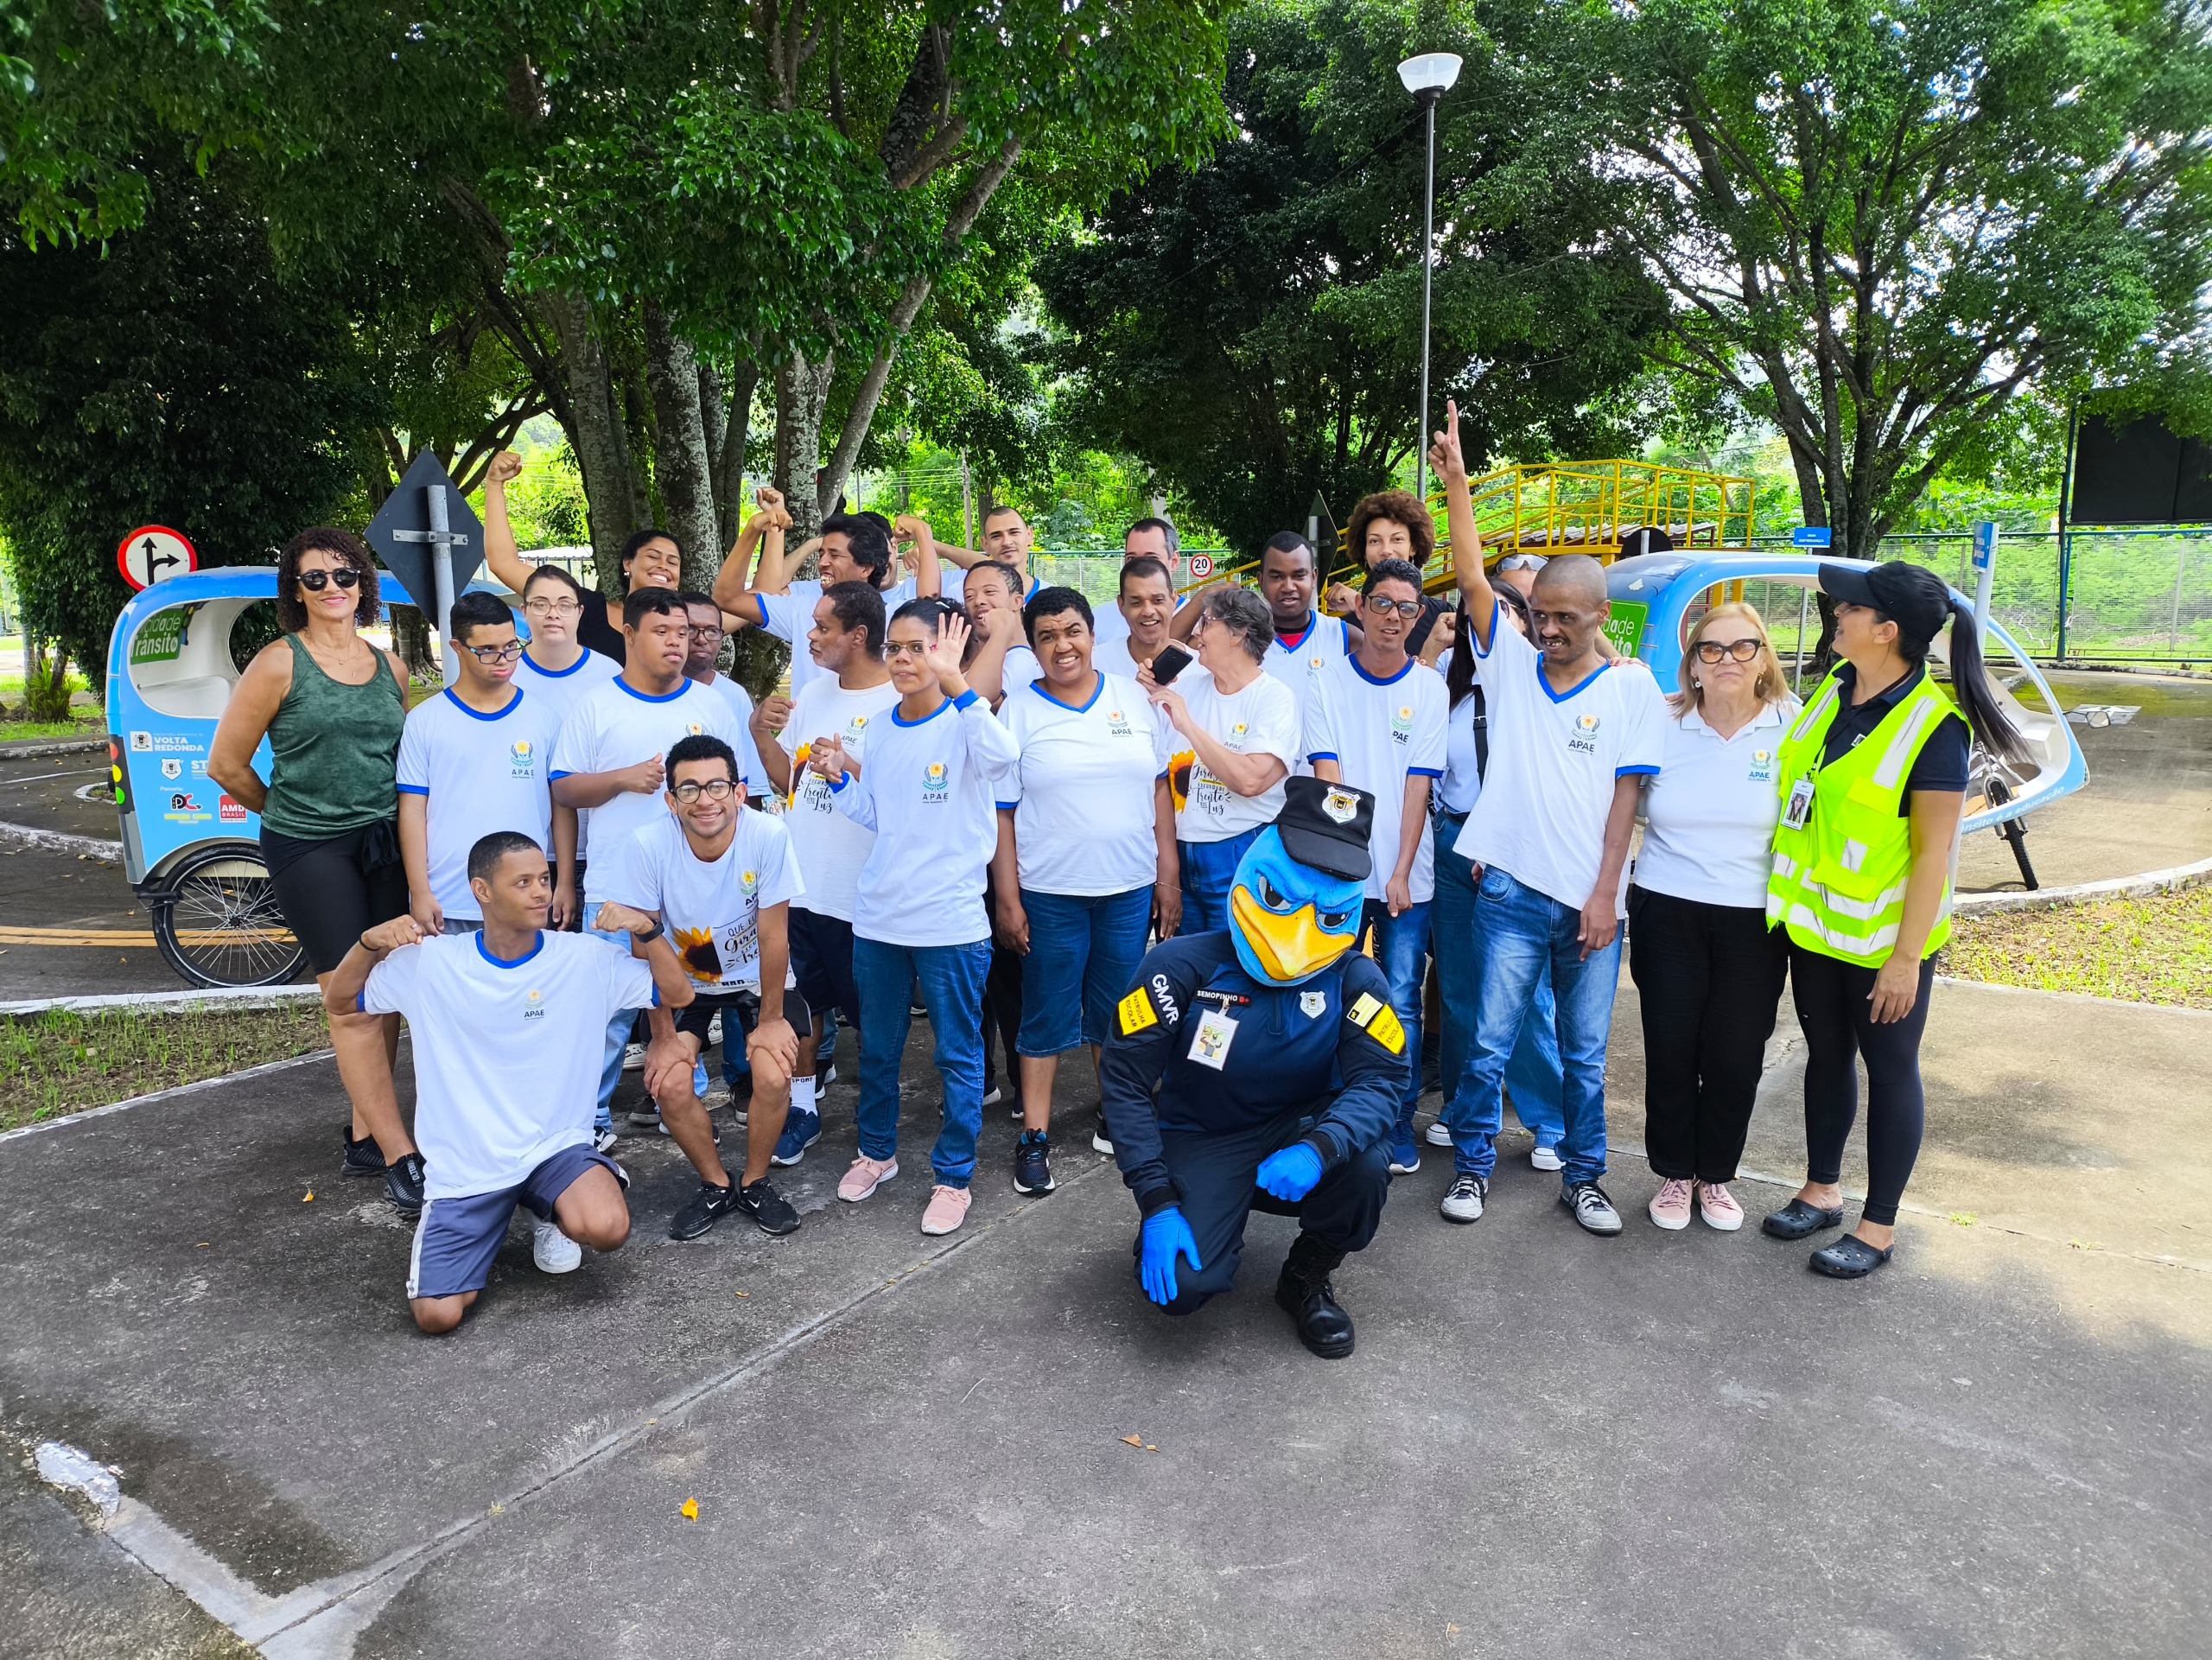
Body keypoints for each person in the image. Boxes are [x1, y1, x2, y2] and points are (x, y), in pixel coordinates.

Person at [1430, 402, 1666, 1237]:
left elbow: (1626, 800)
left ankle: (1587, 1179)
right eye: (1543, 614)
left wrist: (1606, 896)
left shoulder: (1632, 688)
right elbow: (1468, 579)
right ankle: (1471, 1168)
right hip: (1512, 900)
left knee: (1585, 1057)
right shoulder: (1512, 669)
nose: (1552, 627)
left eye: (1569, 615)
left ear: (1602, 616)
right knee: (1487, 1043)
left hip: (1592, 908)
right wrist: (1458, 483)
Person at [1763, 560, 2026, 1277]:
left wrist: (1906, 958)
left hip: (1886, 943)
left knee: (1890, 1068)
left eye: (1847, 608)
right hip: (1817, 929)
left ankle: (1878, 1229)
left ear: (1886, 631)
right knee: (1826, 1058)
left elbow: (1935, 854)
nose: (1834, 615)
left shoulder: (1936, 728)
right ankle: (1821, 1190)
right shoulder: (1834, 693)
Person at [324, 830, 694, 1334]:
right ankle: (496, 1216)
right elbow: (343, 1004)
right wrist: (367, 945)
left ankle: (546, 1208)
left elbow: (678, 993)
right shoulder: (433, 963)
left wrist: (648, 932)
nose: (541, 892)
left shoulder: (583, 958)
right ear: (482, 891)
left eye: (544, 879)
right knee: (437, 1317)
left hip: (555, 1148)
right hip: (467, 1167)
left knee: (606, 1229)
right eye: (523, 882)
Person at [1099, 778, 1402, 1358]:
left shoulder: (1354, 979)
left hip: (1301, 1131)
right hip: (1205, 1135)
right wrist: (1156, 1199)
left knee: (1365, 1163)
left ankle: (1307, 1274)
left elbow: (1382, 1081)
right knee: (1179, 1293)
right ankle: (1187, 1217)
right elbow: (1125, 1080)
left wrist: (1322, 1146)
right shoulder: (1178, 967)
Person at [207, 528, 423, 1212]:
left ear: (365, 585)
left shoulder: (391, 668)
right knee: (350, 993)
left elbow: (404, 766)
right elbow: (227, 765)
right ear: (294, 591)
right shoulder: (279, 662)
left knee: (386, 988)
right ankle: (400, 1153)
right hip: (310, 846)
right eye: (316, 579)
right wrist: (286, 816)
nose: (334, 588)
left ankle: (366, 1130)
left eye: (346, 575)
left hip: (382, 841)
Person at [809, 601, 1020, 1237]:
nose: (903, 660)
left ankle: (954, 1175)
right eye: (895, 648)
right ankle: (877, 1151)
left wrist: (958, 683)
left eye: (917, 647)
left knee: (959, 1057)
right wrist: (839, 778)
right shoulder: (878, 727)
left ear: (945, 651)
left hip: (951, 925)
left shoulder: (967, 722)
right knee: (879, 1049)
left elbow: (1005, 758)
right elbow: (881, 814)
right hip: (879, 920)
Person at [993, 588, 1179, 1197]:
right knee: (1046, 1013)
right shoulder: (1017, 710)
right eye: (1046, 635)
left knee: (1118, 1015)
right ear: (1034, 645)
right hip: (1050, 893)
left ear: (1092, 634)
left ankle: (1119, 1117)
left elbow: (1158, 791)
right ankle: (1035, 1137)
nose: (1061, 645)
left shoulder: (1132, 696)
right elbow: (1003, 813)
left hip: (1126, 888)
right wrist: (1010, 897)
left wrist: (1166, 875)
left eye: (1071, 630)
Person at [550, 588, 752, 1138]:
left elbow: (740, 793)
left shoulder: (711, 705)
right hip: (618, 886)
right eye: (662, 633)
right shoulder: (596, 705)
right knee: (608, 1013)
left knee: (692, 1000)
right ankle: (585, 1124)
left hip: (696, 892)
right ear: (630, 635)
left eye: (684, 633)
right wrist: (622, 780)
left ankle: (682, 1097)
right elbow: (564, 789)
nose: (676, 643)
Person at [1630, 603, 1796, 1232]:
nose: (1727, 659)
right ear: (1693, 664)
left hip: (1754, 916)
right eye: (1712, 649)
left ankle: (1716, 1175)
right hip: (1667, 907)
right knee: (1672, 1047)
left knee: (1734, 1054)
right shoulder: (1663, 723)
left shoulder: (1793, 724)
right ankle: (1674, 1172)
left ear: (1764, 658)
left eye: (1743, 647)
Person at [602, 736, 809, 1240]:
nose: (705, 800)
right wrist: (662, 1037)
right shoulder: (647, 845)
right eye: (689, 789)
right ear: (670, 800)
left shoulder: (768, 834)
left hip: (760, 980)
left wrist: (771, 1020)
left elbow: (773, 934)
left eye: (717, 786)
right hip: (686, 984)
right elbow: (641, 950)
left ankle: (756, 1182)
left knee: (774, 1073)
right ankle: (716, 1184)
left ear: (738, 792)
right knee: (668, 1082)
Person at [1302, 559, 1448, 1175]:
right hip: (1339, 870)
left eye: (1407, 608)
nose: (1393, 617)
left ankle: (1394, 1122)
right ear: (1359, 608)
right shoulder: (1326, 680)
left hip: (1405, 880)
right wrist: (1349, 867)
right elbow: (1328, 779)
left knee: (1403, 1004)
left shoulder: (1429, 689)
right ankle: (1334, 1113)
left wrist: (1400, 870)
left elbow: (1418, 788)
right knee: (1326, 994)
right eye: (1382, 604)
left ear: (1419, 618)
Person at [750, 582, 899, 1161]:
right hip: (804, 885)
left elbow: (906, 796)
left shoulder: (899, 700)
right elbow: (788, 778)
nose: (809, 637)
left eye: (821, 628)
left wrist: (849, 764)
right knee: (801, 1007)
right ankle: (803, 1107)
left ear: (858, 635)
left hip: (863, 896)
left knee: (874, 1020)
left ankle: (877, 1127)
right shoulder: (811, 692)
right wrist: (760, 730)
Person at [1426, 583, 1567, 1169]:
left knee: (1527, 994)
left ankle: (1551, 1120)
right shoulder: (1445, 683)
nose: (1491, 620)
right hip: (1454, 843)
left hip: (1513, 848)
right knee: (1459, 988)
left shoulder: (1538, 685)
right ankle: (1462, 1104)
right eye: (1482, 613)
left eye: (1509, 610)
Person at [397, 591, 576, 939]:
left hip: (528, 902)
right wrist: (419, 892)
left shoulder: (544, 719)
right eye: (488, 650)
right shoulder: (424, 721)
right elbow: (412, 812)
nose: (504, 659)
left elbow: (561, 809)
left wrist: (564, 881)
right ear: (457, 647)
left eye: (512, 646)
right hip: (448, 902)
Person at [1141, 584, 1299, 934]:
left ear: (1238, 633)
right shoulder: (1190, 686)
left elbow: (1251, 780)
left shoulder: (1274, 699)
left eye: (1207, 622)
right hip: (1182, 853)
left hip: (1241, 850)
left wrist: (1187, 723)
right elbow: (1158, 776)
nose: (1196, 633)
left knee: (1237, 974)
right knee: (1189, 972)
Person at [714, 490, 937, 700]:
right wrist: (754, 528)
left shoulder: (895, 618)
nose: (822, 562)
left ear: (866, 568)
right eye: (821, 553)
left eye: (835, 555)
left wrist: (923, 533)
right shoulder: (801, 608)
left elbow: (931, 603)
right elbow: (727, 598)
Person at [482, 449, 684, 665]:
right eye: (653, 556)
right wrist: (494, 484)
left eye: (673, 562)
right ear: (628, 563)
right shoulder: (587, 608)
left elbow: (727, 604)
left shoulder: (695, 621)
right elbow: (504, 563)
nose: (663, 565)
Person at [1324, 490, 1447, 654]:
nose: (1386, 550)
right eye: (1375, 541)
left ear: (1414, 547)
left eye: (1397, 539)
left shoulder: (1442, 617)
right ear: (1364, 549)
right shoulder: (1345, 626)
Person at [957, 559, 1043, 708]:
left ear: (1017, 602)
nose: (978, 601)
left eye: (989, 591)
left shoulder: (1021, 660)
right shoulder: (985, 657)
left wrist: (1001, 630)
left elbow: (974, 701)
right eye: (969, 596)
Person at [1094, 518, 1183, 646]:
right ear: (1121, 605)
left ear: (1174, 561)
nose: (1140, 566)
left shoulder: (1201, 623)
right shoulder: (1099, 620)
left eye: (1152, 558)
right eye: (1131, 558)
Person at [1092, 557, 1179, 680]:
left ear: (1174, 600)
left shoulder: (1201, 666)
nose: (1148, 611)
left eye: (1158, 600)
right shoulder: (1095, 664)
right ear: (1122, 606)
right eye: (1136, 603)